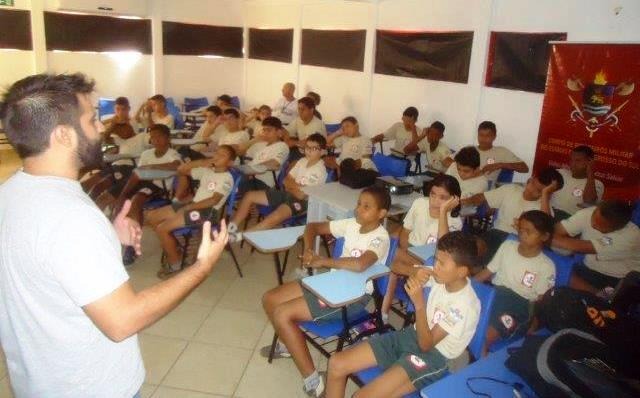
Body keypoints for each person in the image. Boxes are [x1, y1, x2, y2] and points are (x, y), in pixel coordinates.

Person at [0, 73, 228, 397]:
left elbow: (43, 269)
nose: (100, 129)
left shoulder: (10, 194)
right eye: (92, 120)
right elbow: (122, 321)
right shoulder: (72, 218)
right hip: (89, 386)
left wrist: (109, 239)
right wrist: (201, 267)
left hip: (38, 380)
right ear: (64, 135)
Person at [261, 187, 392, 397]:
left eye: (366, 207)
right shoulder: (351, 223)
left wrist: (322, 260)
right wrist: (307, 249)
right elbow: (313, 227)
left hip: (351, 298)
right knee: (270, 298)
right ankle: (288, 346)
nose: (359, 209)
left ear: (382, 213)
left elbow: (360, 264)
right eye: (359, 203)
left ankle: (314, 381)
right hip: (330, 284)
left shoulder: (380, 238)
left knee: (282, 313)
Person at [325, 231, 481, 398]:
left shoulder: (464, 305)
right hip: (412, 335)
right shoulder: (442, 275)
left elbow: (426, 345)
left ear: (462, 271)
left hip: (436, 356)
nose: (435, 266)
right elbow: (393, 265)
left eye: (441, 263)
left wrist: (419, 305)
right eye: (435, 259)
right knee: (336, 363)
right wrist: (413, 271)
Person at [381, 175, 463, 321]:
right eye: (433, 194)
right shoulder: (419, 203)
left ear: (454, 200)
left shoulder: (454, 221)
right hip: (410, 252)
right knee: (390, 255)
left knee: (390, 260)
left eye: (443, 198)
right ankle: (383, 313)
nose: (436, 201)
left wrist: (443, 212)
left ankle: (383, 313)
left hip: (431, 260)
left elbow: (444, 248)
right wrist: (406, 252)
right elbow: (405, 232)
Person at [147, 145, 236, 278]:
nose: (217, 156)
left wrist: (188, 208)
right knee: (152, 217)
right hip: (194, 205)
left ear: (230, 162)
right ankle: (175, 248)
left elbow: (214, 200)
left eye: (222, 155)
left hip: (208, 212)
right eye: (216, 153)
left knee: (162, 228)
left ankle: (175, 264)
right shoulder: (208, 171)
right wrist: (202, 162)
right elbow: (181, 170)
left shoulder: (226, 178)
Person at [475, 210, 556, 356]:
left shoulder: (546, 266)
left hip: (519, 305)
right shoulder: (508, 246)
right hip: (494, 293)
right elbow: (487, 272)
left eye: (529, 231)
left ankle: (479, 367)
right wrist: (466, 288)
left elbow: (541, 300)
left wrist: (534, 324)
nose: (522, 234)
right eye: (521, 229)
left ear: (544, 236)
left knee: (483, 338)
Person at [228, 133, 328, 242]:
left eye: (314, 148)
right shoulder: (302, 161)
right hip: (288, 194)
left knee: (276, 215)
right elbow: (286, 180)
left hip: (304, 203)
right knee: (249, 196)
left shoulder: (320, 170)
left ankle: (241, 236)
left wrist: (292, 186)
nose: (308, 151)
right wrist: (296, 187)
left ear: (322, 151)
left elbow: (301, 195)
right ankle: (230, 228)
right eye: (307, 147)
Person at [462, 167, 563, 267]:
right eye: (532, 184)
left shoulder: (544, 207)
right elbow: (481, 197)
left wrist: (545, 194)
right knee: (472, 246)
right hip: (496, 233)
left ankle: (479, 271)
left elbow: (545, 228)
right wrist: (463, 201)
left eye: (539, 191)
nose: (531, 190)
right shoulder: (511, 189)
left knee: (490, 257)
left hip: (519, 241)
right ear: (531, 178)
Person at [96, 124, 182, 225]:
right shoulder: (146, 154)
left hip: (158, 187)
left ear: (168, 138)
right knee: (105, 197)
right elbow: (139, 171)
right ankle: (100, 226)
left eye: (159, 136)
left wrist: (151, 167)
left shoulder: (172, 153)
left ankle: (134, 232)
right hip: (138, 183)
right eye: (153, 137)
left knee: (135, 201)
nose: (156, 140)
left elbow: (176, 165)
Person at [552, 200, 640, 295]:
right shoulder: (588, 213)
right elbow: (556, 230)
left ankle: (602, 298)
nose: (593, 224)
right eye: (594, 217)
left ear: (616, 228)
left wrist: (543, 237)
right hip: (588, 268)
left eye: (599, 225)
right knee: (557, 273)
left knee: (566, 279)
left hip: (619, 278)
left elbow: (583, 247)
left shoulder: (630, 236)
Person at [443, 121, 528, 186]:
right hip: (460, 182)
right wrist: (465, 169)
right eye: (481, 135)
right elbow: (446, 161)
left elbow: (524, 168)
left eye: (488, 136)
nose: (483, 139)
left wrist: (500, 165)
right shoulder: (469, 149)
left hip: (482, 188)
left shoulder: (502, 151)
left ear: (494, 136)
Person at [237, 116, 290, 195]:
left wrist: (252, 170)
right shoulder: (262, 146)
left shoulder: (282, 146)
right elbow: (239, 151)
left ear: (279, 132)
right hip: (251, 179)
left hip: (262, 183)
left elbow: (275, 163)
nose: (265, 133)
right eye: (264, 130)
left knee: (231, 184)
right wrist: (255, 139)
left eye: (269, 130)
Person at [551, 145, 605, 220]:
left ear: (590, 162)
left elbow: (589, 201)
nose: (573, 164)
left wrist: (590, 173)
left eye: (578, 160)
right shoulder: (560, 173)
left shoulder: (596, 183)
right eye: (572, 160)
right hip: (549, 213)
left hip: (571, 220)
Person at [445, 146, 488, 214]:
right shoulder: (453, 166)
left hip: (460, 213)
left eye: (466, 171)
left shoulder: (482, 183)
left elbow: (463, 204)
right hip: (443, 203)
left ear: (476, 169)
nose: (461, 173)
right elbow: (442, 186)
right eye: (459, 169)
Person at [284, 97, 326, 161]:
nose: (300, 112)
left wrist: (292, 142)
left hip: (314, 155)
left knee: (290, 167)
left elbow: (306, 145)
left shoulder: (317, 125)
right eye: (299, 109)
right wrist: (293, 142)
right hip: (300, 151)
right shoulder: (298, 120)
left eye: (303, 109)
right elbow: (285, 133)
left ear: (311, 110)